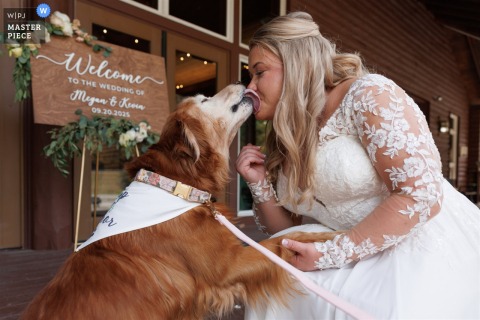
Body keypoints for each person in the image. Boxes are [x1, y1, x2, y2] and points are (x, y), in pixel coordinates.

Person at [236, 11, 480, 320]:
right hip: (344, 256)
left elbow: (420, 196)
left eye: (259, 72)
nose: (251, 86)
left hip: (413, 248)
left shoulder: (368, 95)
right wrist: (259, 184)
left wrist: (330, 254)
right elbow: (293, 232)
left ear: (296, 64)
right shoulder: (290, 135)